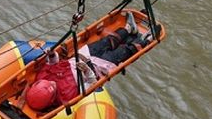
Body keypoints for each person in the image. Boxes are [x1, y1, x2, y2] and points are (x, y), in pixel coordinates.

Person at [25, 13, 153, 111]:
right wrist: (86, 71)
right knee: (123, 51)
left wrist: (52, 55)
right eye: (52, 86)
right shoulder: (67, 96)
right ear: (52, 98)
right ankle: (144, 40)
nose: (52, 82)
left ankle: (129, 29)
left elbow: (53, 64)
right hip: (98, 67)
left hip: (82, 55)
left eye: (48, 82)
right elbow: (91, 84)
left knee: (108, 41)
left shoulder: (42, 77)